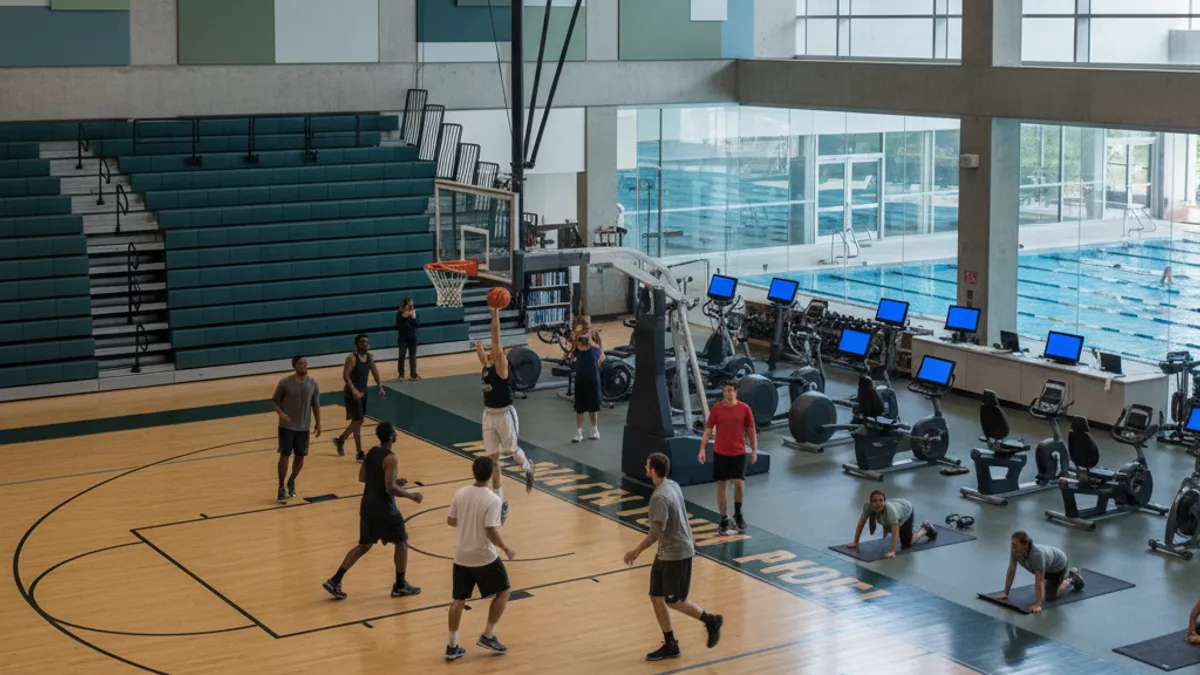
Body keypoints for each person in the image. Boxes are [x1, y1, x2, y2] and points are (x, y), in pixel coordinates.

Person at [624, 452, 723, 662]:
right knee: (656, 596)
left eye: (647, 465)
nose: (645, 468)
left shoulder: (659, 497)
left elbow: (655, 533)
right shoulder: (673, 485)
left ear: (653, 470)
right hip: (666, 552)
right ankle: (670, 644)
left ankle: (711, 620)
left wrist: (636, 551)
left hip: (676, 554)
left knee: (675, 601)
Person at [322, 422, 423, 600]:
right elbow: (390, 489)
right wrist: (410, 495)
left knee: (364, 545)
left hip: (367, 506)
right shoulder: (391, 458)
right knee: (401, 541)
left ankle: (335, 580)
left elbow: (362, 477)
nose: (397, 434)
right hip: (385, 509)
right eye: (395, 432)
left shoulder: (372, 452)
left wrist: (392, 480)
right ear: (390, 436)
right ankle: (400, 585)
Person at [445, 456, 517, 661]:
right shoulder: (493, 500)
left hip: (461, 554)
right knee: (504, 591)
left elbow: (451, 520)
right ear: (491, 474)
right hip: (483, 555)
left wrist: (468, 520)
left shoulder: (460, 492)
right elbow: (490, 530)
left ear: (473, 471)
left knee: (458, 600)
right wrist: (505, 547)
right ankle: (488, 635)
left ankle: (452, 645)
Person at [477, 306, 535, 524]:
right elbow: (481, 350)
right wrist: (479, 346)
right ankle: (500, 501)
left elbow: (495, 337)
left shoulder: (501, 365)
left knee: (511, 450)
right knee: (492, 459)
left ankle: (528, 467)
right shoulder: (486, 365)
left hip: (504, 414)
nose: (491, 351)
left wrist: (494, 312)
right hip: (488, 414)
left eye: (494, 349)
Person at [696, 380, 757, 535]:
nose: (727, 393)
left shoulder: (744, 409)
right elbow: (708, 429)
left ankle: (738, 514)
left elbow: (751, 430)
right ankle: (723, 519)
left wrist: (754, 449)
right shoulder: (717, 408)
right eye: (725, 390)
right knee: (721, 485)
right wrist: (702, 449)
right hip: (720, 453)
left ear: (736, 392)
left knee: (739, 484)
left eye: (730, 390)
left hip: (738, 452)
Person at [271, 355, 321, 504]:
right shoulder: (285, 383)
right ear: (295, 366)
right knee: (285, 455)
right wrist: (281, 414)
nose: (304, 365)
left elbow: (315, 403)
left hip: (303, 427)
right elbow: (274, 401)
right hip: (286, 427)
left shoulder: (313, 383)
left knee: (300, 457)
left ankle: (292, 480)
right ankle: (281, 487)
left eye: (305, 363)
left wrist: (318, 423)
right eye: (300, 363)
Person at [997, 531, 1084, 613]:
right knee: (1044, 585)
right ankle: (1056, 581)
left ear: (1025, 545)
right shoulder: (1014, 551)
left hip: (1057, 565)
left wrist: (1038, 604)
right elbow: (1011, 570)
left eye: (1015, 545)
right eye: (1012, 544)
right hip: (1046, 565)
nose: (1012, 547)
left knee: (1051, 596)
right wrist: (1005, 593)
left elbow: (1040, 580)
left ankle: (1071, 578)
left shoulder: (1037, 556)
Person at [333, 335, 386, 463]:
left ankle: (342, 441)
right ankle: (359, 452)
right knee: (359, 420)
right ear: (357, 344)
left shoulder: (369, 357)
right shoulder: (352, 358)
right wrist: (354, 390)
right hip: (351, 393)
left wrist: (380, 387)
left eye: (367, 341)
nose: (365, 344)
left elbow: (375, 372)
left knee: (358, 421)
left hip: (363, 392)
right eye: (362, 342)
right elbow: (346, 376)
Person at [847, 490, 936, 559]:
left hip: (906, 509)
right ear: (870, 502)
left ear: (884, 501)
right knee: (885, 520)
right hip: (896, 503)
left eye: (881, 500)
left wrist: (892, 551)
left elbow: (895, 531)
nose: (878, 503)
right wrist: (855, 542)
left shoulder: (891, 512)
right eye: (874, 501)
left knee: (907, 543)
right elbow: (860, 524)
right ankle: (875, 517)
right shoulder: (868, 507)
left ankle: (925, 528)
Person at [569, 331, 604, 442]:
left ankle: (595, 430)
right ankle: (579, 433)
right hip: (580, 383)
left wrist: (590, 341)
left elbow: (600, 352)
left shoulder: (595, 350)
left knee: (593, 408)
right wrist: (576, 341)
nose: (583, 343)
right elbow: (571, 357)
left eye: (585, 341)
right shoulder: (577, 352)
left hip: (592, 383)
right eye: (581, 341)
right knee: (579, 409)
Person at [396, 297, 420, 381]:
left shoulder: (415, 313)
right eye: (409, 305)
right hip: (403, 338)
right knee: (401, 356)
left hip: (412, 338)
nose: (411, 306)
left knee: (412, 356)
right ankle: (401, 375)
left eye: (412, 305)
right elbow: (398, 326)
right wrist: (404, 317)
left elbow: (417, 325)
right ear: (405, 305)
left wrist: (413, 318)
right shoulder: (399, 313)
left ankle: (413, 374)